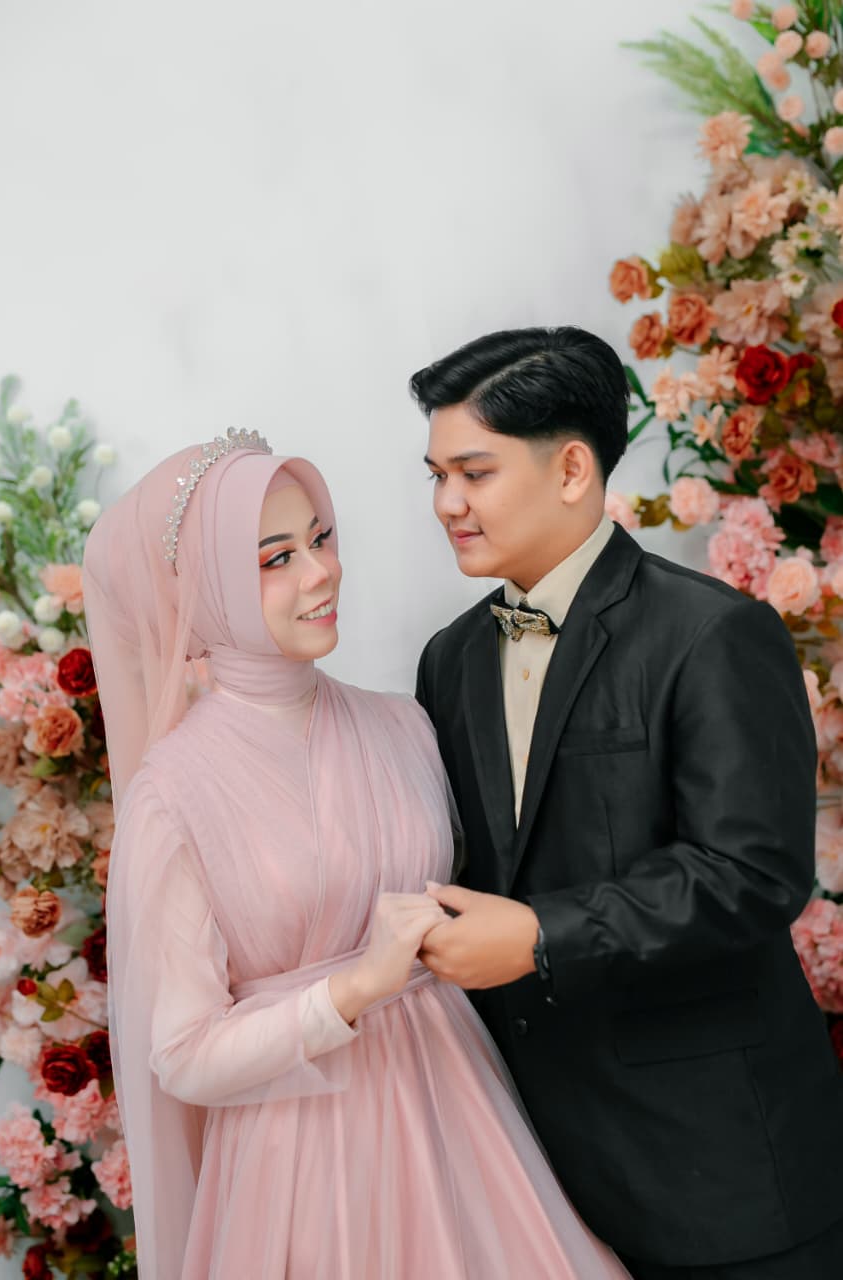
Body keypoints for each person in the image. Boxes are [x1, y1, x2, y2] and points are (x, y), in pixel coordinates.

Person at [82, 428, 629, 1279]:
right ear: (208, 591)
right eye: (275, 558)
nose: (322, 572)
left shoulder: (402, 724)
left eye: (321, 538)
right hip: (299, 1159)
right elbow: (183, 1056)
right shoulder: (172, 794)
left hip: (458, 1119)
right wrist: (355, 987)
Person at [410, 326, 843, 1280]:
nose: (446, 503)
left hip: (719, 1172)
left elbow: (753, 873)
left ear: (572, 469)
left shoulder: (713, 633)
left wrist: (540, 936)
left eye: (473, 473)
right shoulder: (450, 658)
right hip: (533, 1177)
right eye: (435, 476)